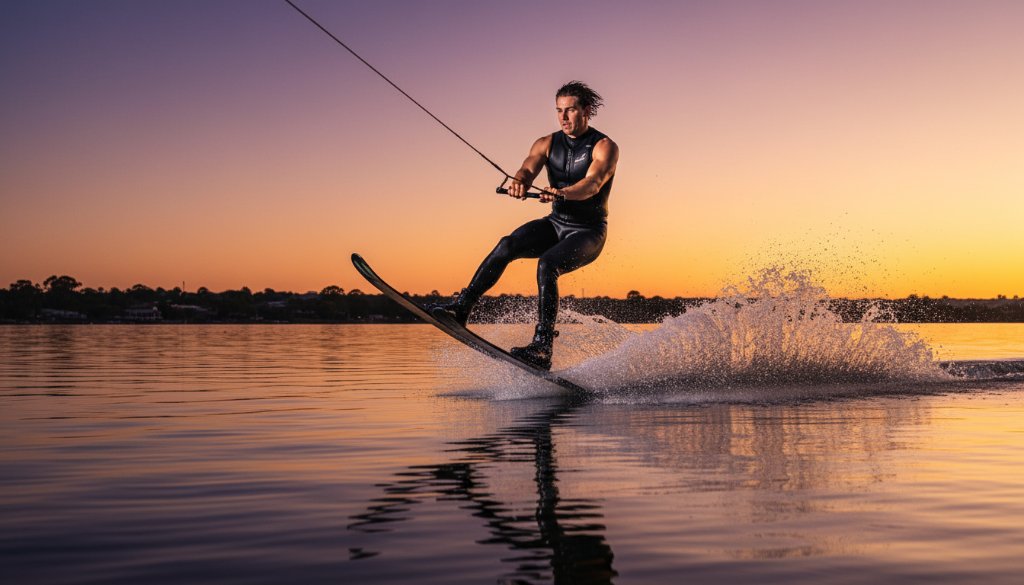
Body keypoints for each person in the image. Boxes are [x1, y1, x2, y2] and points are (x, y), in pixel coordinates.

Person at [432, 81, 619, 370]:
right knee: (507, 244)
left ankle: (543, 346)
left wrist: (562, 192)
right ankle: (462, 308)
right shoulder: (546, 143)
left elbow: (592, 184)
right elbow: (527, 168)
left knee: (547, 263)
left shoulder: (604, 146)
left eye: (570, 110)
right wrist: (518, 183)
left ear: (587, 111)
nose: (563, 117)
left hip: (588, 232)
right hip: (556, 224)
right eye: (559, 111)